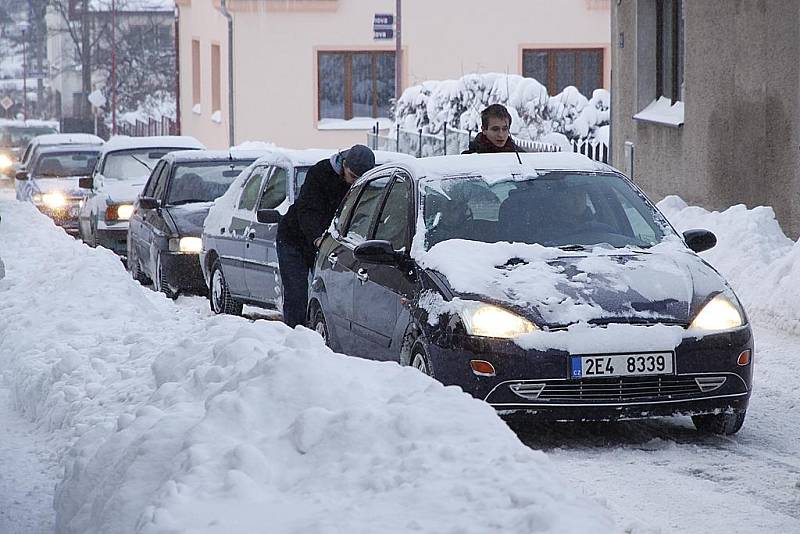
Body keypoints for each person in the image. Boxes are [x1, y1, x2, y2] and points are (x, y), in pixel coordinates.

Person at [276, 144, 375, 328]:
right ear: (344, 164)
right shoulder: (320, 173)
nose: (354, 183)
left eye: (359, 179)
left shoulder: (364, 184)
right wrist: (317, 238)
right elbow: (307, 211)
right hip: (294, 239)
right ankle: (294, 337)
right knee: (297, 293)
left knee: (325, 293)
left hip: (328, 243)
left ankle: (318, 336)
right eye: (352, 177)